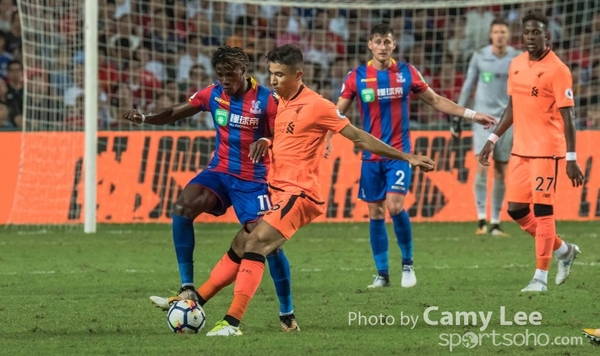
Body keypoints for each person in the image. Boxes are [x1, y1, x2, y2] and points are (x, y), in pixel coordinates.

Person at [196, 44, 436, 337]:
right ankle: (194, 302)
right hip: (276, 191)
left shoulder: (317, 105)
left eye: (280, 75)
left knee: (256, 243)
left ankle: (231, 323)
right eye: (271, 73)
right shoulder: (279, 102)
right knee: (240, 243)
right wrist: (267, 142)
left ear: (298, 75)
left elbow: (358, 137)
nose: (273, 80)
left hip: (300, 193)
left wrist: (407, 156)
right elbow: (282, 137)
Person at [122, 46, 299, 332]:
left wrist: (266, 140)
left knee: (268, 244)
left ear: (243, 71)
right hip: (219, 172)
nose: (225, 81)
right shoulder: (213, 94)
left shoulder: (267, 100)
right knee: (183, 207)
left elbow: (285, 136)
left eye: (230, 75)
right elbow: (175, 113)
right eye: (220, 75)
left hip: (253, 181)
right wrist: (145, 118)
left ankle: (286, 311)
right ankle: (188, 287)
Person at [327, 23, 496, 289]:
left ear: (394, 45)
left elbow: (436, 100)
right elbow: (337, 113)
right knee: (375, 212)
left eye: (387, 41)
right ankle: (382, 275)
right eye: (378, 41)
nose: (383, 46)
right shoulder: (356, 76)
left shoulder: (406, 72)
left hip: (400, 154)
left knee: (394, 206)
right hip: (371, 156)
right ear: (370, 45)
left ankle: (407, 264)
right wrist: (326, 138)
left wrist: (472, 115)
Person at [479, 13, 584, 292]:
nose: (530, 37)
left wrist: (571, 158)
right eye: (526, 32)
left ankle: (540, 277)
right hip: (520, 150)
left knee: (543, 210)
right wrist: (492, 138)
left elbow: (569, 117)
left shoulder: (557, 70)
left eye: (536, 32)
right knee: (516, 210)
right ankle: (564, 251)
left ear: (546, 36)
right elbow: (512, 107)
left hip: (547, 152)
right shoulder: (516, 64)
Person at [452, 18, 521, 237]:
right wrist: (459, 114)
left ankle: (495, 222)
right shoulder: (480, 56)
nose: (499, 35)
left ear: (508, 35)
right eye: (496, 32)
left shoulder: (517, 58)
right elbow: (468, 85)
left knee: (501, 171)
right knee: (481, 168)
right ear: (491, 35)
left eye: (503, 32)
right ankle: (481, 219)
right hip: (483, 121)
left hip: (507, 121)